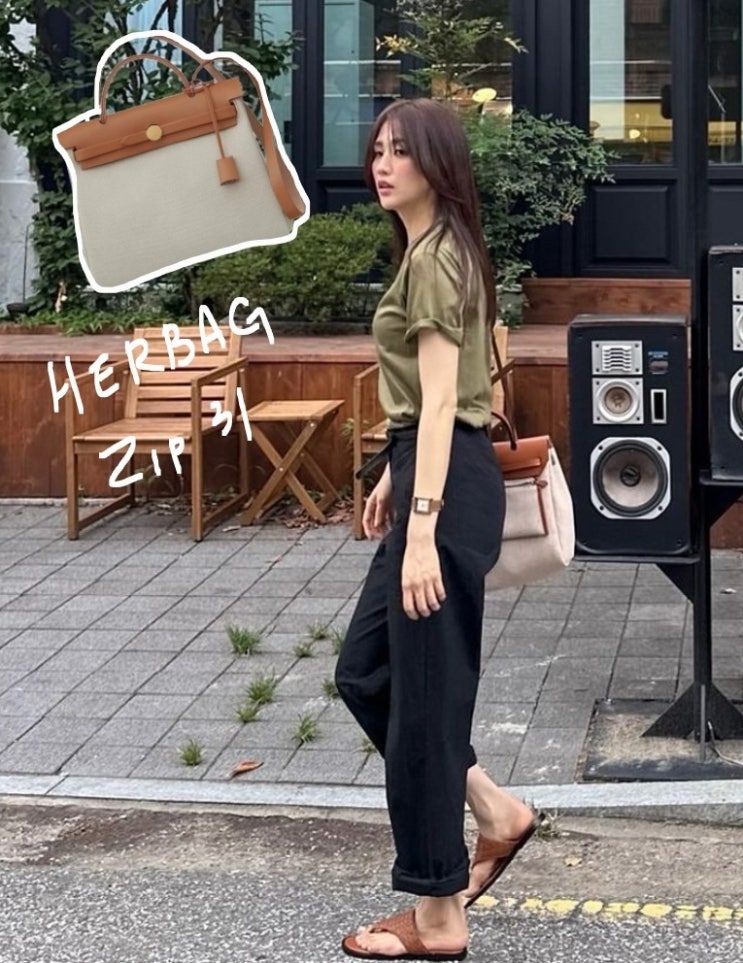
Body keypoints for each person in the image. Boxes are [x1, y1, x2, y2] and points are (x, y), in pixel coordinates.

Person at [335, 98, 542, 962]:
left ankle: (439, 910)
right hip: (432, 467)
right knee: (365, 672)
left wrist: (420, 524)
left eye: (400, 152)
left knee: (423, 700)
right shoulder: (433, 250)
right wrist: (394, 470)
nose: (382, 165)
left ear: (437, 163)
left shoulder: (437, 257)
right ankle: (494, 809)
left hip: (446, 491)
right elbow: (444, 397)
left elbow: (445, 401)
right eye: (377, 150)